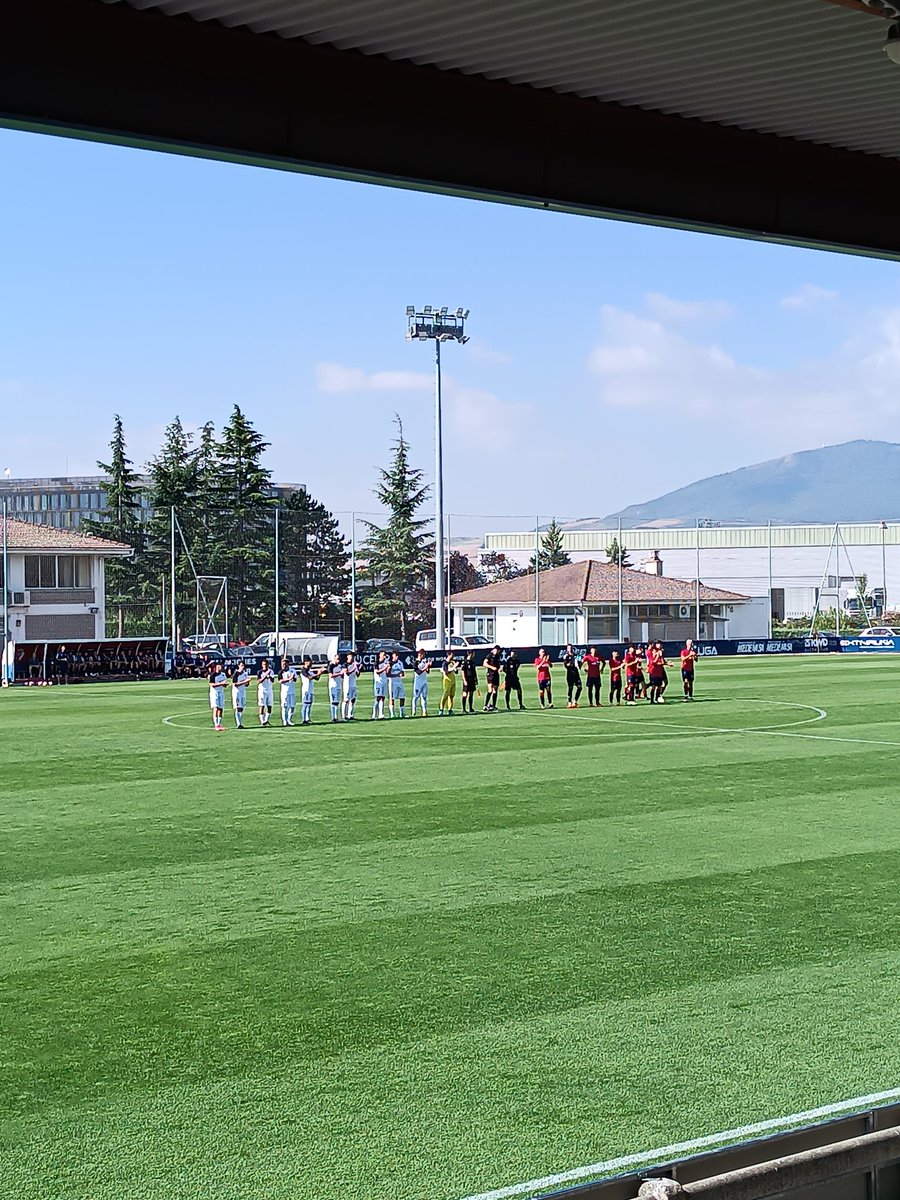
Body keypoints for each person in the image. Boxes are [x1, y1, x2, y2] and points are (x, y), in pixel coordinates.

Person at [299, 656, 323, 725]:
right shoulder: (303, 670)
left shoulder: (310, 670)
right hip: (306, 690)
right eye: (310, 662)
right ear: (306, 663)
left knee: (309, 705)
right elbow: (310, 677)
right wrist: (318, 673)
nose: (311, 663)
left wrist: (320, 673)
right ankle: (304, 719)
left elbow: (316, 678)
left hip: (310, 690)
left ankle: (308, 718)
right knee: (305, 705)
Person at [231, 659, 251, 728]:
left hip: (243, 692)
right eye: (241, 665)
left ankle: (240, 722)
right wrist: (244, 681)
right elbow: (235, 684)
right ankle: (238, 723)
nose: (242, 667)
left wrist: (247, 682)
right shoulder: (236, 674)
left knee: (242, 708)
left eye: (243, 665)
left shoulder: (245, 674)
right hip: (237, 692)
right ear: (239, 666)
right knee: (238, 707)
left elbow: (246, 685)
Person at [208, 660, 228, 731]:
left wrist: (225, 684)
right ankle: (216, 724)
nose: (220, 667)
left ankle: (219, 724)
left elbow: (224, 685)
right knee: (215, 708)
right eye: (219, 666)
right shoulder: (212, 675)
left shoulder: (223, 674)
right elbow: (211, 684)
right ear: (216, 667)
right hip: (214, 693)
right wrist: (221, 683)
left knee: (221, 708)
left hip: (221, 692)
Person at [482, 644, 502, 711]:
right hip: (490, 674)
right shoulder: (489, 655)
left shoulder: (498, 656)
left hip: (496, 674)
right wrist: (492, 667)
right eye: (496, 650)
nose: (497, 652)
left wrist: (499, 668)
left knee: (495, 691)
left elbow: (498, 665)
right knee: (490, 690)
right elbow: (484, 664)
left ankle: (493, 705)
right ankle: (485, 705)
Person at [440, 648, 459, 715]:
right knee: (445, 696)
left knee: (451, 696)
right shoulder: (445, 663)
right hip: (447, 681)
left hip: (453, 681)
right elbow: (446, 672)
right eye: (452, 655)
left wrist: (455, 668)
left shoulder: (452, 662)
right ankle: (441, 709)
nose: (453, 656)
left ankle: (450, 709)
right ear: (449, 655)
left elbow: (456, 672)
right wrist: (453, 667)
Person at [563, 644, 583, 708]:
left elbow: (579, 664)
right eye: (568, 648)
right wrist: (571, 663)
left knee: (579, 687)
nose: (570, 649)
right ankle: (569, 702)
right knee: (570, 688)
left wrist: (580, 664)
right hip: (570, 674)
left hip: (576, 674)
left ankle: (575, 701)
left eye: (571, 648)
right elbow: (566, 665)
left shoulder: (576, 656)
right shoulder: (566, 656)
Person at [279, 658, 298, 726]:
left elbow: (295, 680)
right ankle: (284, 721)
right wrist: (289, 679)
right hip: (284, 692)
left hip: (292, 691)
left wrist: (293, 678)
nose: (283, 666)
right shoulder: (281, 672)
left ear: (287, 664)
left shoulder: (292, 671)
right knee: (284, 707)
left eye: (284, 664)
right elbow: (280, 681)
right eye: (282, 664)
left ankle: (289, 720)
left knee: (292, 707)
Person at [388, 651, 406, 717]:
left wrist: (402, 674)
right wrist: (396, 675)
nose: (397, 657)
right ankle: (392, 714)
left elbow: (403, 673)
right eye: (396, 656)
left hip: (399, 682)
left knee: (402, 697)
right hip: (392, 682)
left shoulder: (400, 663)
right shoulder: (390, 663)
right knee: (392, 698)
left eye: (398, 656)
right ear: (393, 656)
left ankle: (402, 713)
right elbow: (388, 674)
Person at [412, 649, 431, 716]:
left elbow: (428, 672)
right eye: (423, 654)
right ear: (420, 654)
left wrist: (428, 666)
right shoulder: (415, 662)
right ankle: (414, 711)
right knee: (416, 697)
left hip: (424, 681)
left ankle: (424, 711)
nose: (424, 656)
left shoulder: (424, 661)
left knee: (424, 697)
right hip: (418, 682)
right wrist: (426, 667)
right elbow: (418, 672)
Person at [257, 658, 275, 725]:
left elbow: (273, 681)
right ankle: (262, 721)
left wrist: (269, 676)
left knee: (269, 706)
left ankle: (266, 720)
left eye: (266, 664)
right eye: (264, 664)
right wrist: (265, 676)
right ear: (262, 665)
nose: (265, 666)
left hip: (269, 690)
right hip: (262, 690)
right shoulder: (260, 672)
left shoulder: (271, 671)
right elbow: (259, 681)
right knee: (262, 705)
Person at [342, 651, 360, 721]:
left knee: (353, 699)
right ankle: (344, 716)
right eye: (350, 656)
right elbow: (347, 673)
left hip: (353, 684)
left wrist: (358, 668)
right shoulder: (345, 664)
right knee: (346, 700)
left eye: (353, 656)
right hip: (347, 684)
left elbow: (357, 675)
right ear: (348, 657)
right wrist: (354, 667)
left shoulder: (354, 664)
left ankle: (350, 715)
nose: (352, 657)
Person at [372, 651, 389, 719]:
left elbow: (387, 673)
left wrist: (388, 668)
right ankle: (374, 714)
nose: (384, 656)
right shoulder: (377, 663)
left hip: (384, 682)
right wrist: (385, 668)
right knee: (378, 698)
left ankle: (381, 714)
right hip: (378, 682)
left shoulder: (386, 663)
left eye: (385, 655)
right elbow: (377, 672)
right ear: (380, 655)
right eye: (383, 655)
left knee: (383, 698)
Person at [328, 654, 345, 723]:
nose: (338, 660)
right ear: (334, 658)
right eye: (337, 658)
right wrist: (340, 673)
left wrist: (343, 673)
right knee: (333, 702)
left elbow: (342, 676)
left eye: (339, 659)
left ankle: (336, 717)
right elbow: (331, 676)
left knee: (337, 702)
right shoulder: (331, 666)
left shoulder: (340, 666)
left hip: (338, 685)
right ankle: (333, 717)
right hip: (333, 686)